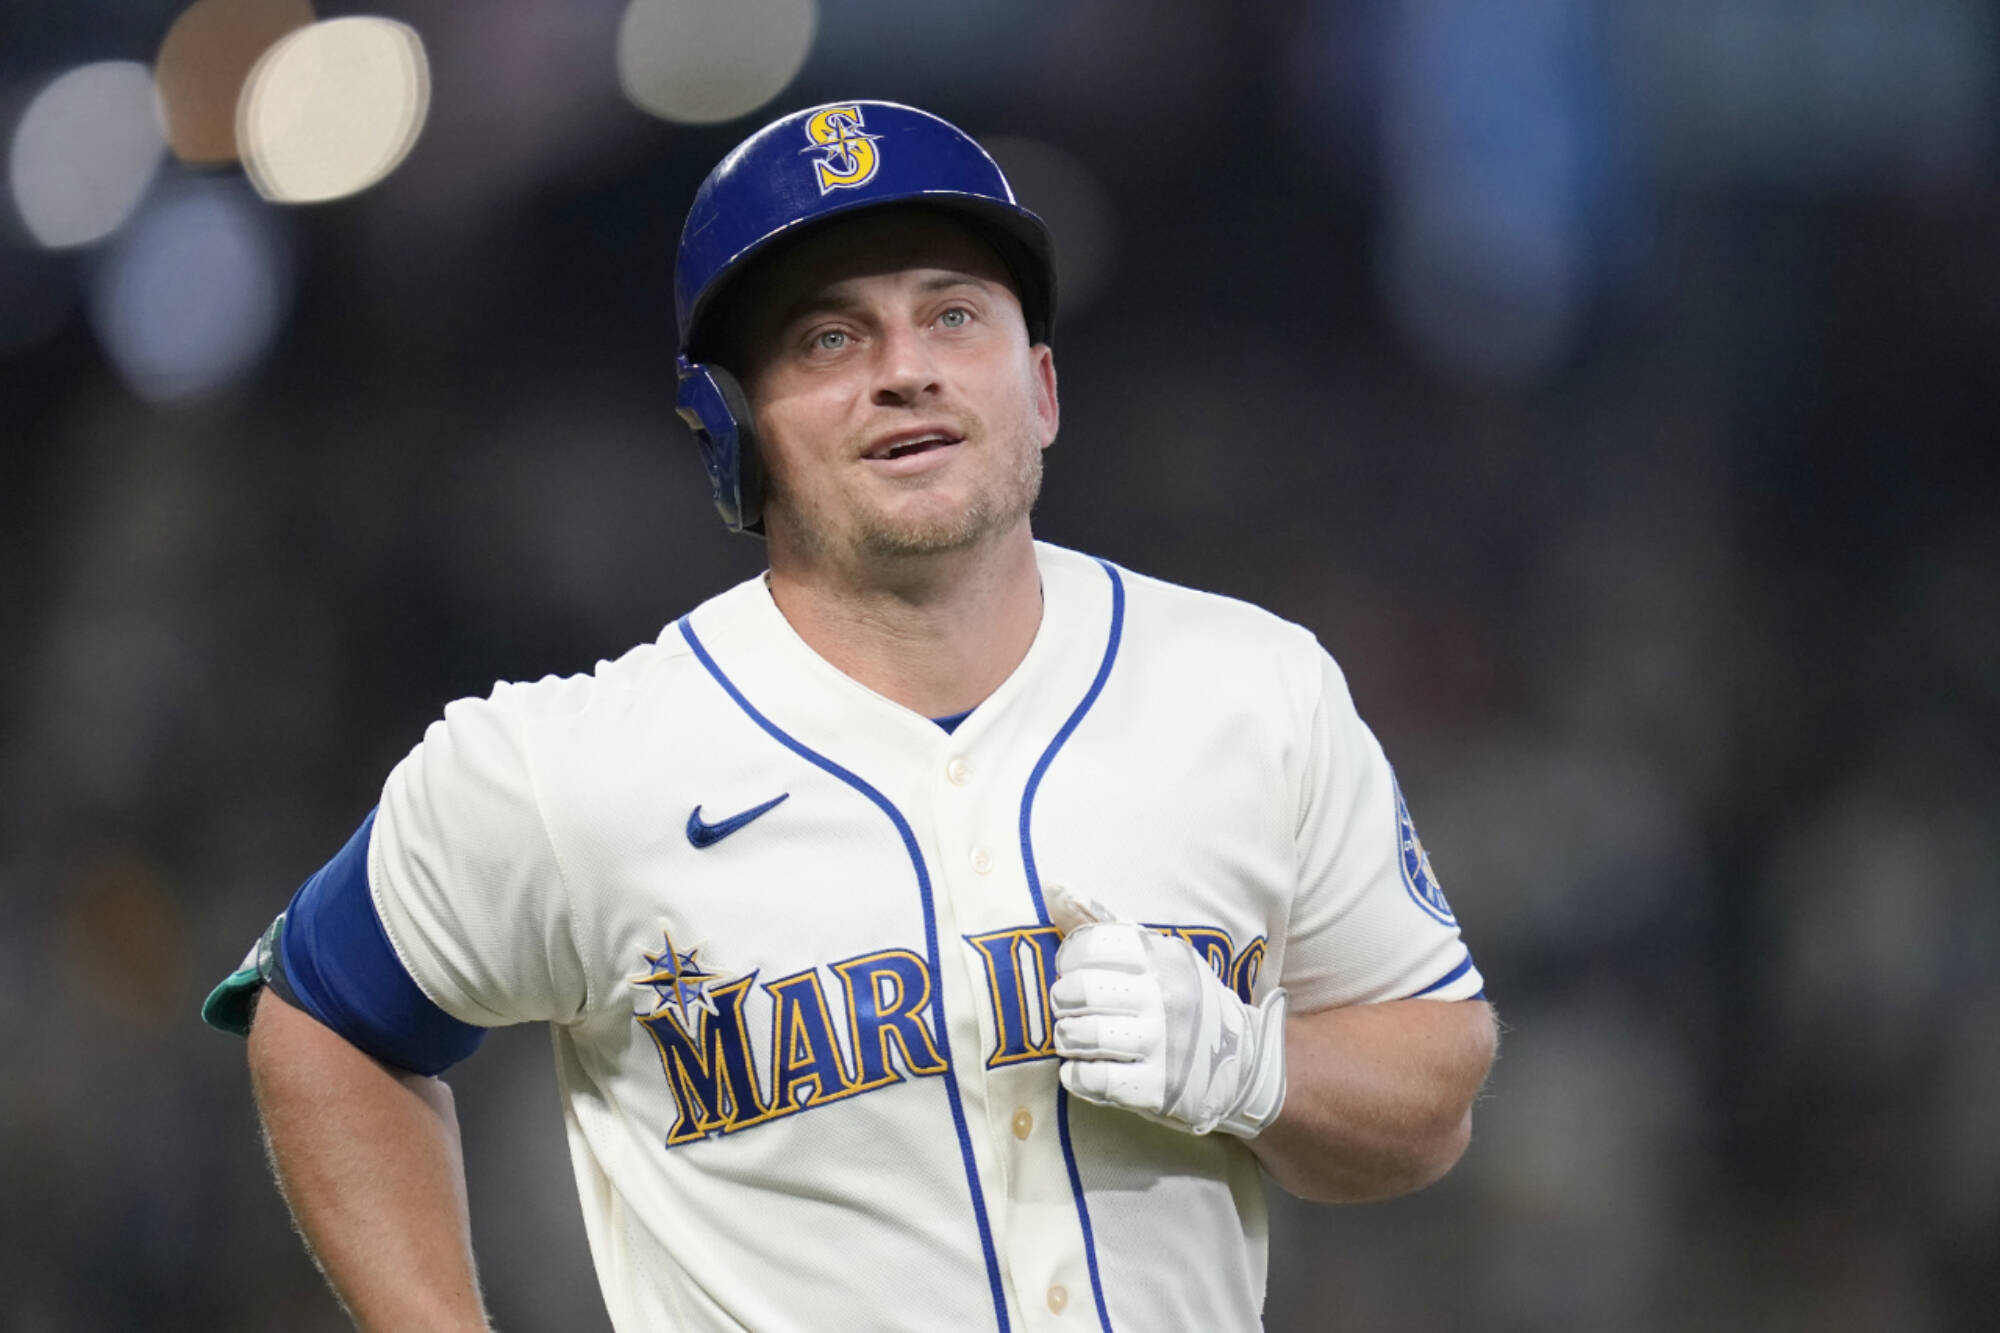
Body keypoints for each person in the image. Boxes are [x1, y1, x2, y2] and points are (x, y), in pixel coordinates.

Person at [205, 100, 1496, 1332]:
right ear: (733, 428)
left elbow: (1429, 1094)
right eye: (828, 337)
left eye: (953, 315)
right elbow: (321, 1011)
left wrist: (1255, 1070)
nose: (905, 371)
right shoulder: (571, 763)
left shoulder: (1250, 684)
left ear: (1039, 384)